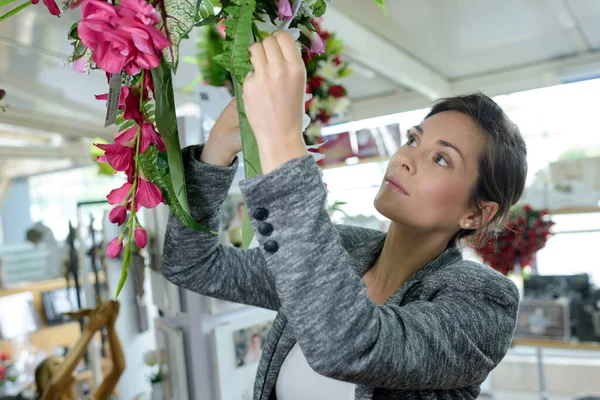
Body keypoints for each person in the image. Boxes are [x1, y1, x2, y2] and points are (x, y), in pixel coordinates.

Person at [161, 31, 527, 400]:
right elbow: (193, 265)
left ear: (476, 214)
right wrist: (218, 150)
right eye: (413, 140)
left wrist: (283, 139)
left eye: (441, 159)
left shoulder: (485, 302)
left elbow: (349, 343)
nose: (404, 158)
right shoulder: (343, 249)